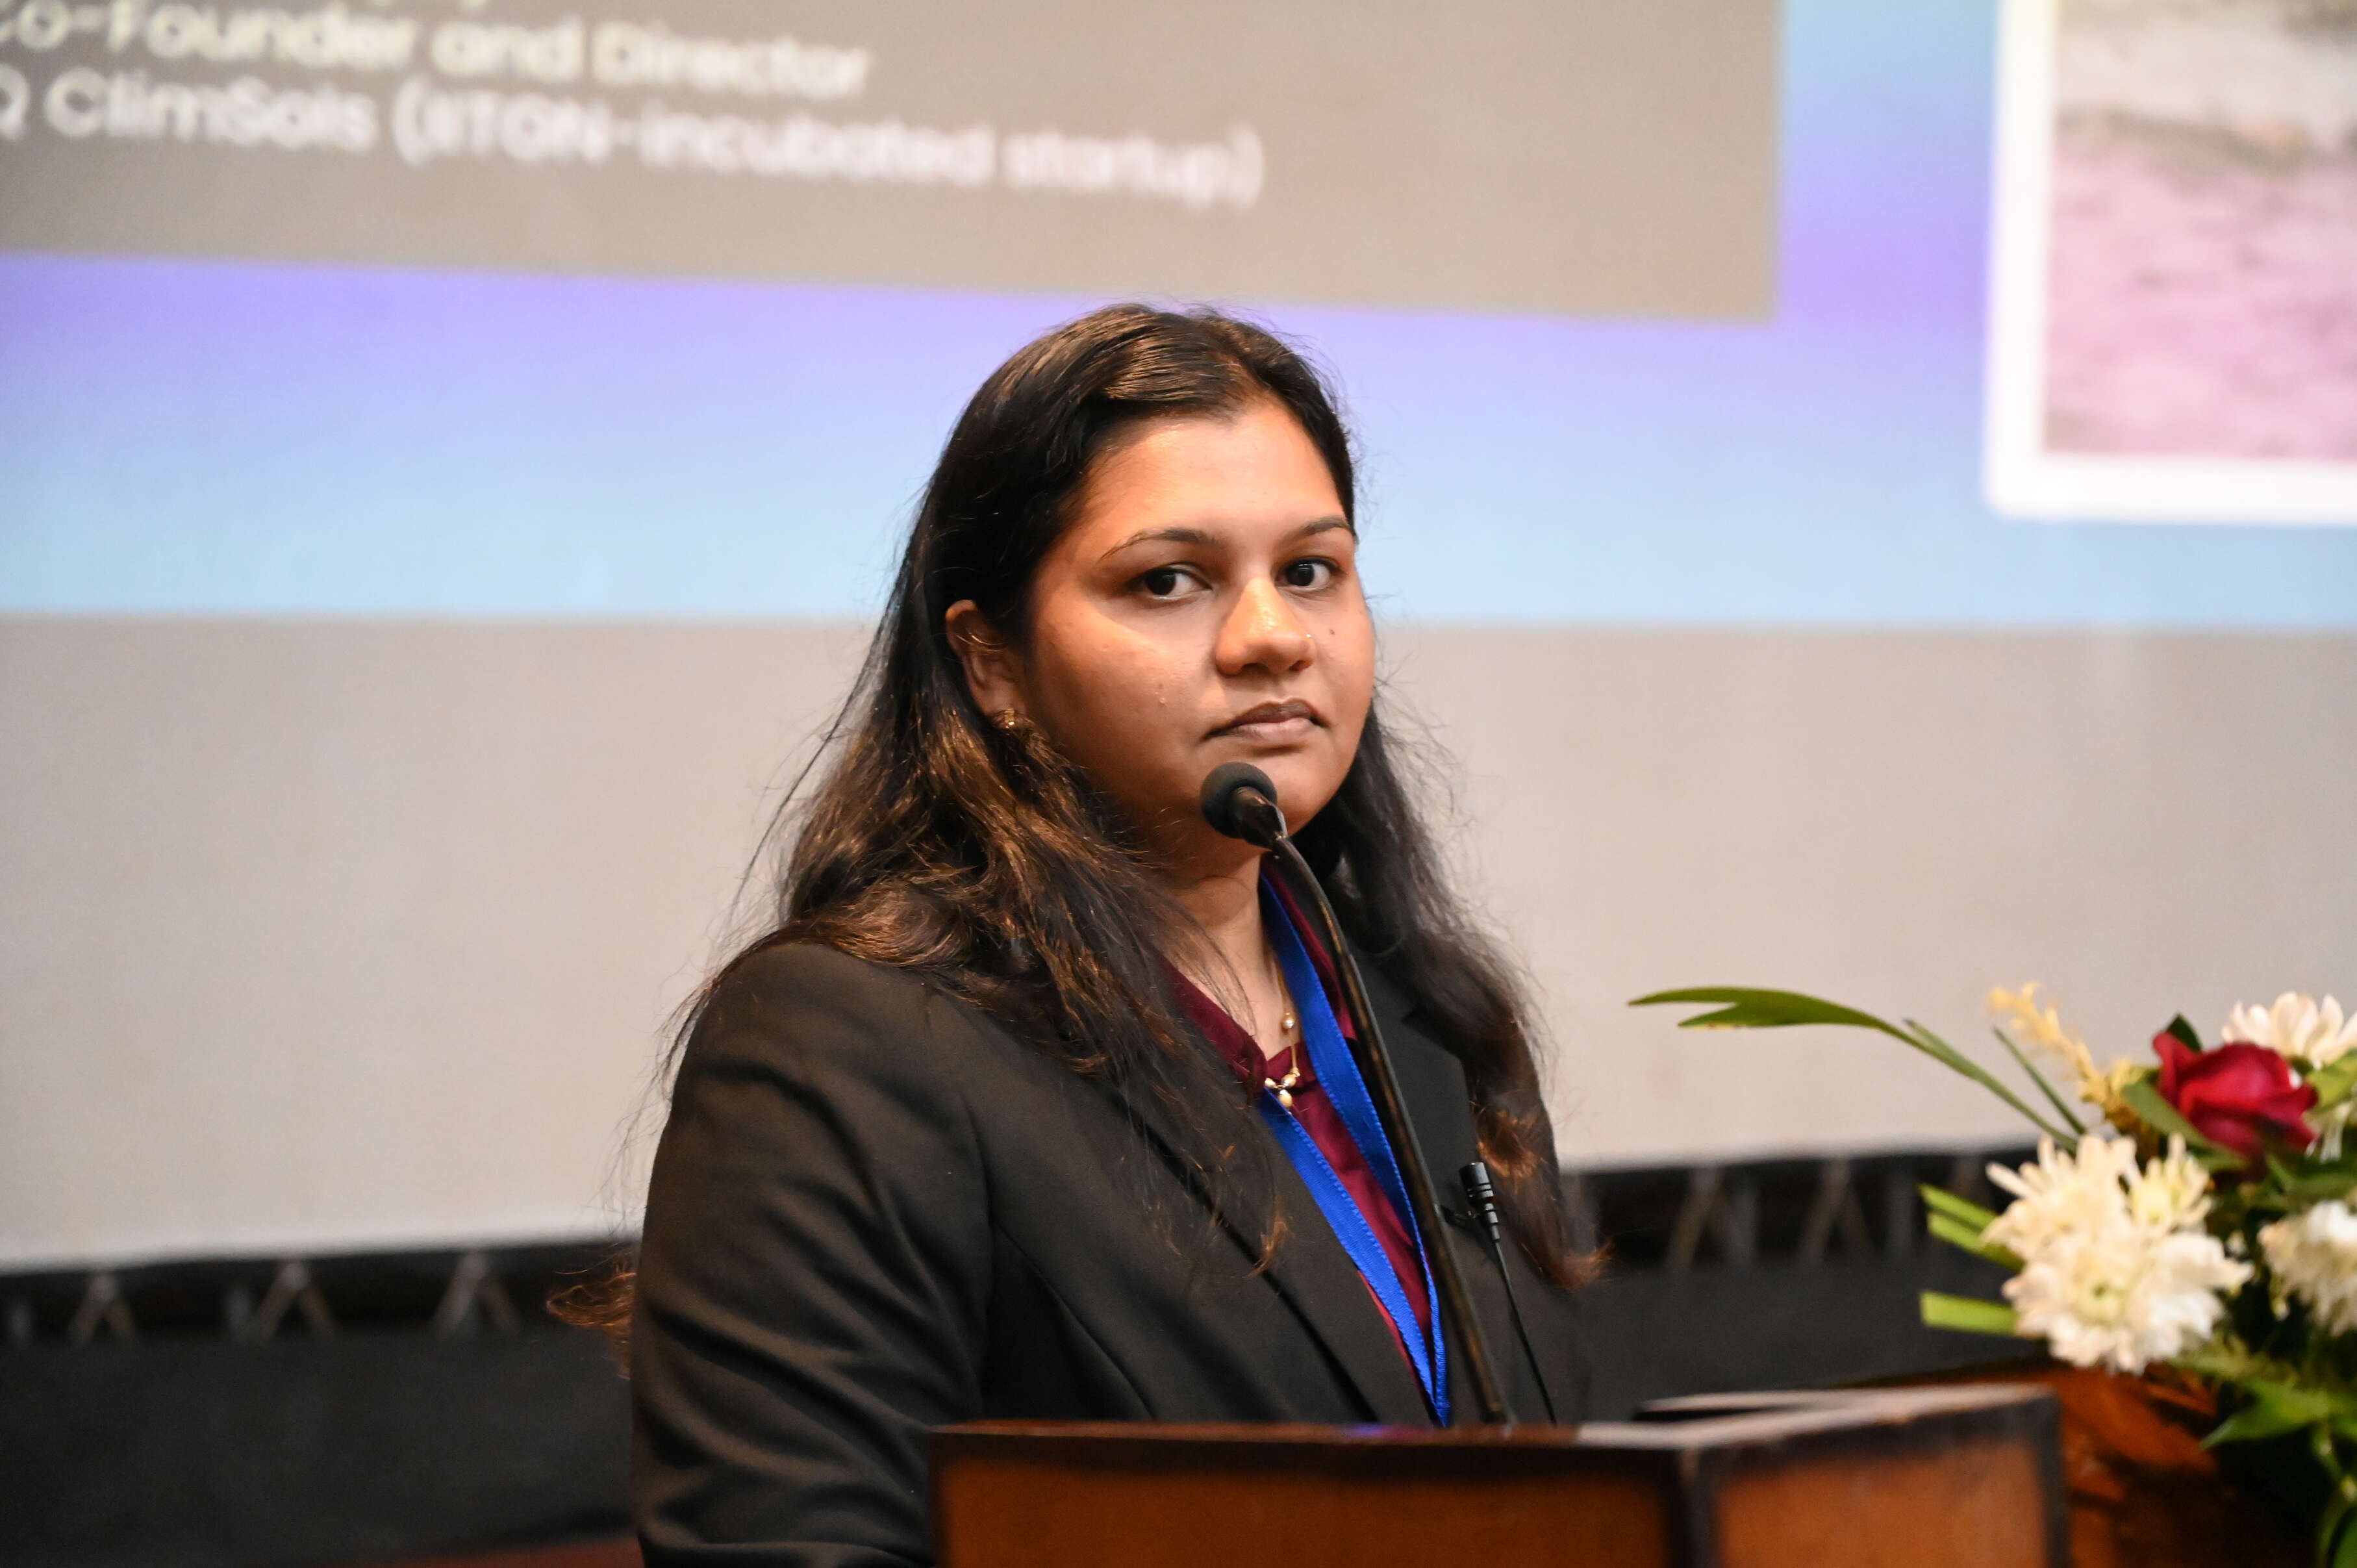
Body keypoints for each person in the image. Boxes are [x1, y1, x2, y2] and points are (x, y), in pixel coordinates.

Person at [621, 303, 1588, 1567]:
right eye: (1167, 581)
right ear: (991, 662)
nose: (1272, 637)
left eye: (1310, 570)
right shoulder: (844, 1044)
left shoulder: (1426, 1021)